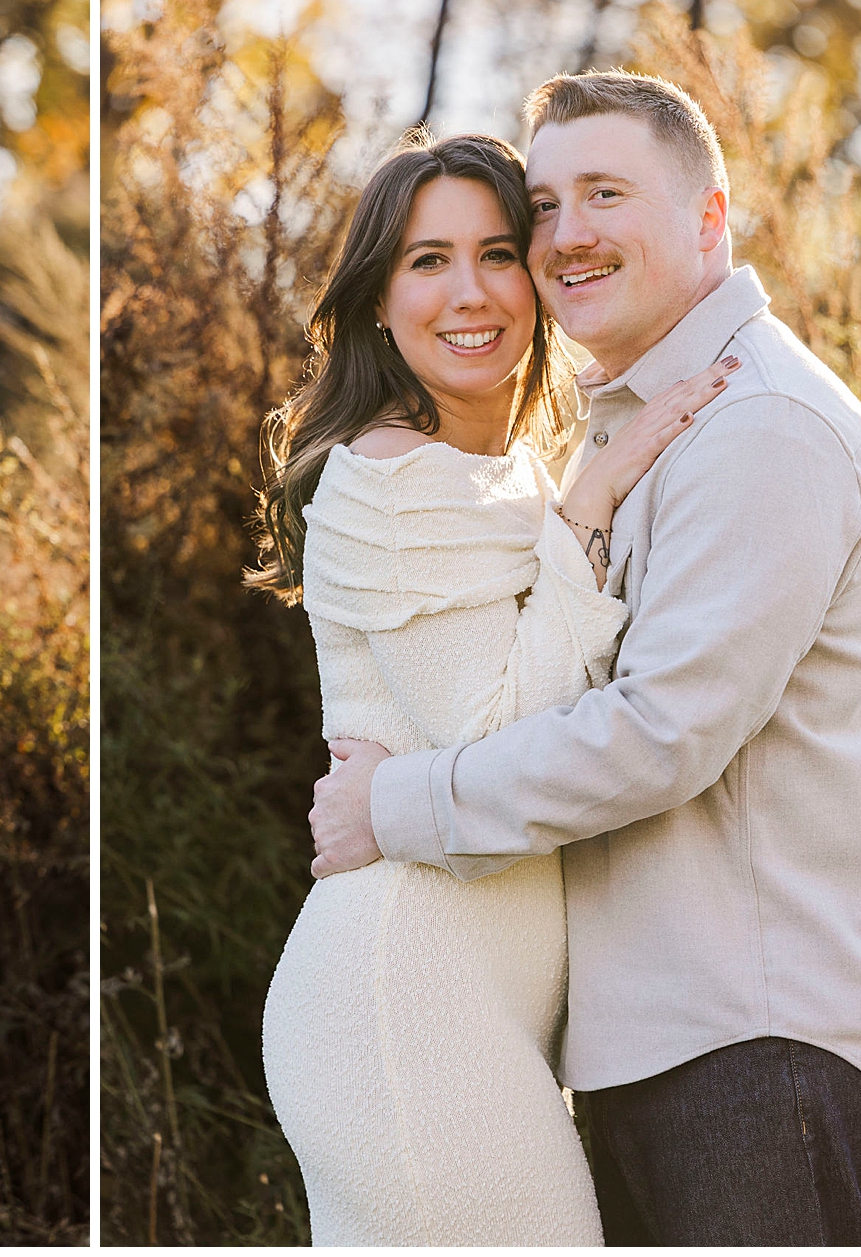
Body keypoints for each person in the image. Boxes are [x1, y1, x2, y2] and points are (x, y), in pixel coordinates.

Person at [310, 72, 861, 1246]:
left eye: (605, 193)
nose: (566, 236)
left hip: (761, 1040)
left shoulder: (757, 423)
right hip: (658, 1043)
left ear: (708, 216)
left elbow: (661, 734)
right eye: (544, 206)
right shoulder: (630, 428)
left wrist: (393, 803)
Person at [252, 131, 732, 1244]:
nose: (467, 292)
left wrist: (568, 496)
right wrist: (588, 506)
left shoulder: (506, 471)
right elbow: (494, 736)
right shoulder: (387, 475)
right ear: (376, 298)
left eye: (496, 253)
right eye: (425, 261)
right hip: (404, 999)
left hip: (481, 1008)